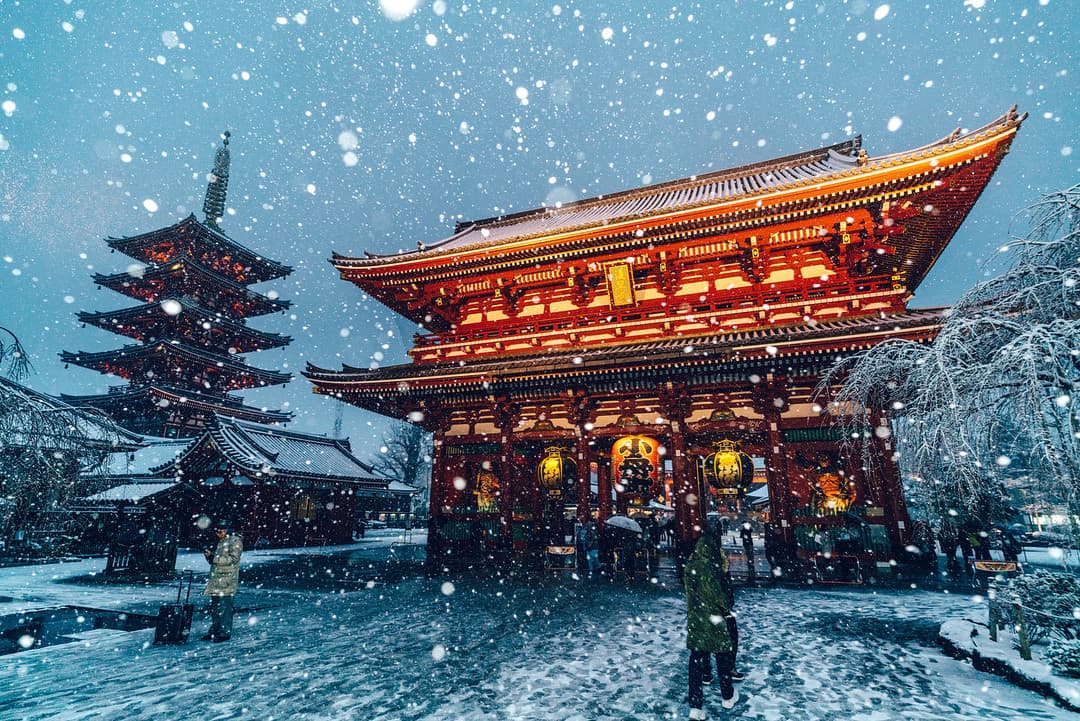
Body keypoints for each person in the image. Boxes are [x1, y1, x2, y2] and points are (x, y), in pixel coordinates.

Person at [684, 530, 739, 719]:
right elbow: (722, 598)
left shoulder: (690, 566)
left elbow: (691, 594)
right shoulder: (714, 569)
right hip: (715, 620)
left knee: (696, 662)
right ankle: (727, 695)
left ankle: (695, 705)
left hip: (696, 619)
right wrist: (726, 610)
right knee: (723, 659)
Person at [202, 520, 243, 642]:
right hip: (217, 579)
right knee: (215, 607)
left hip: (227, 580)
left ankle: (224, 632)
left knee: (225, 607)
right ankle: (215, 630)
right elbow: (218, 560)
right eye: (217, 531)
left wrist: (214, 557)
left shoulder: (235, 541)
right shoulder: (222, 541)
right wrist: (210, 556)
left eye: (220, 531)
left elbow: (233, 559)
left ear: (227, 530)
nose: (218, 534)